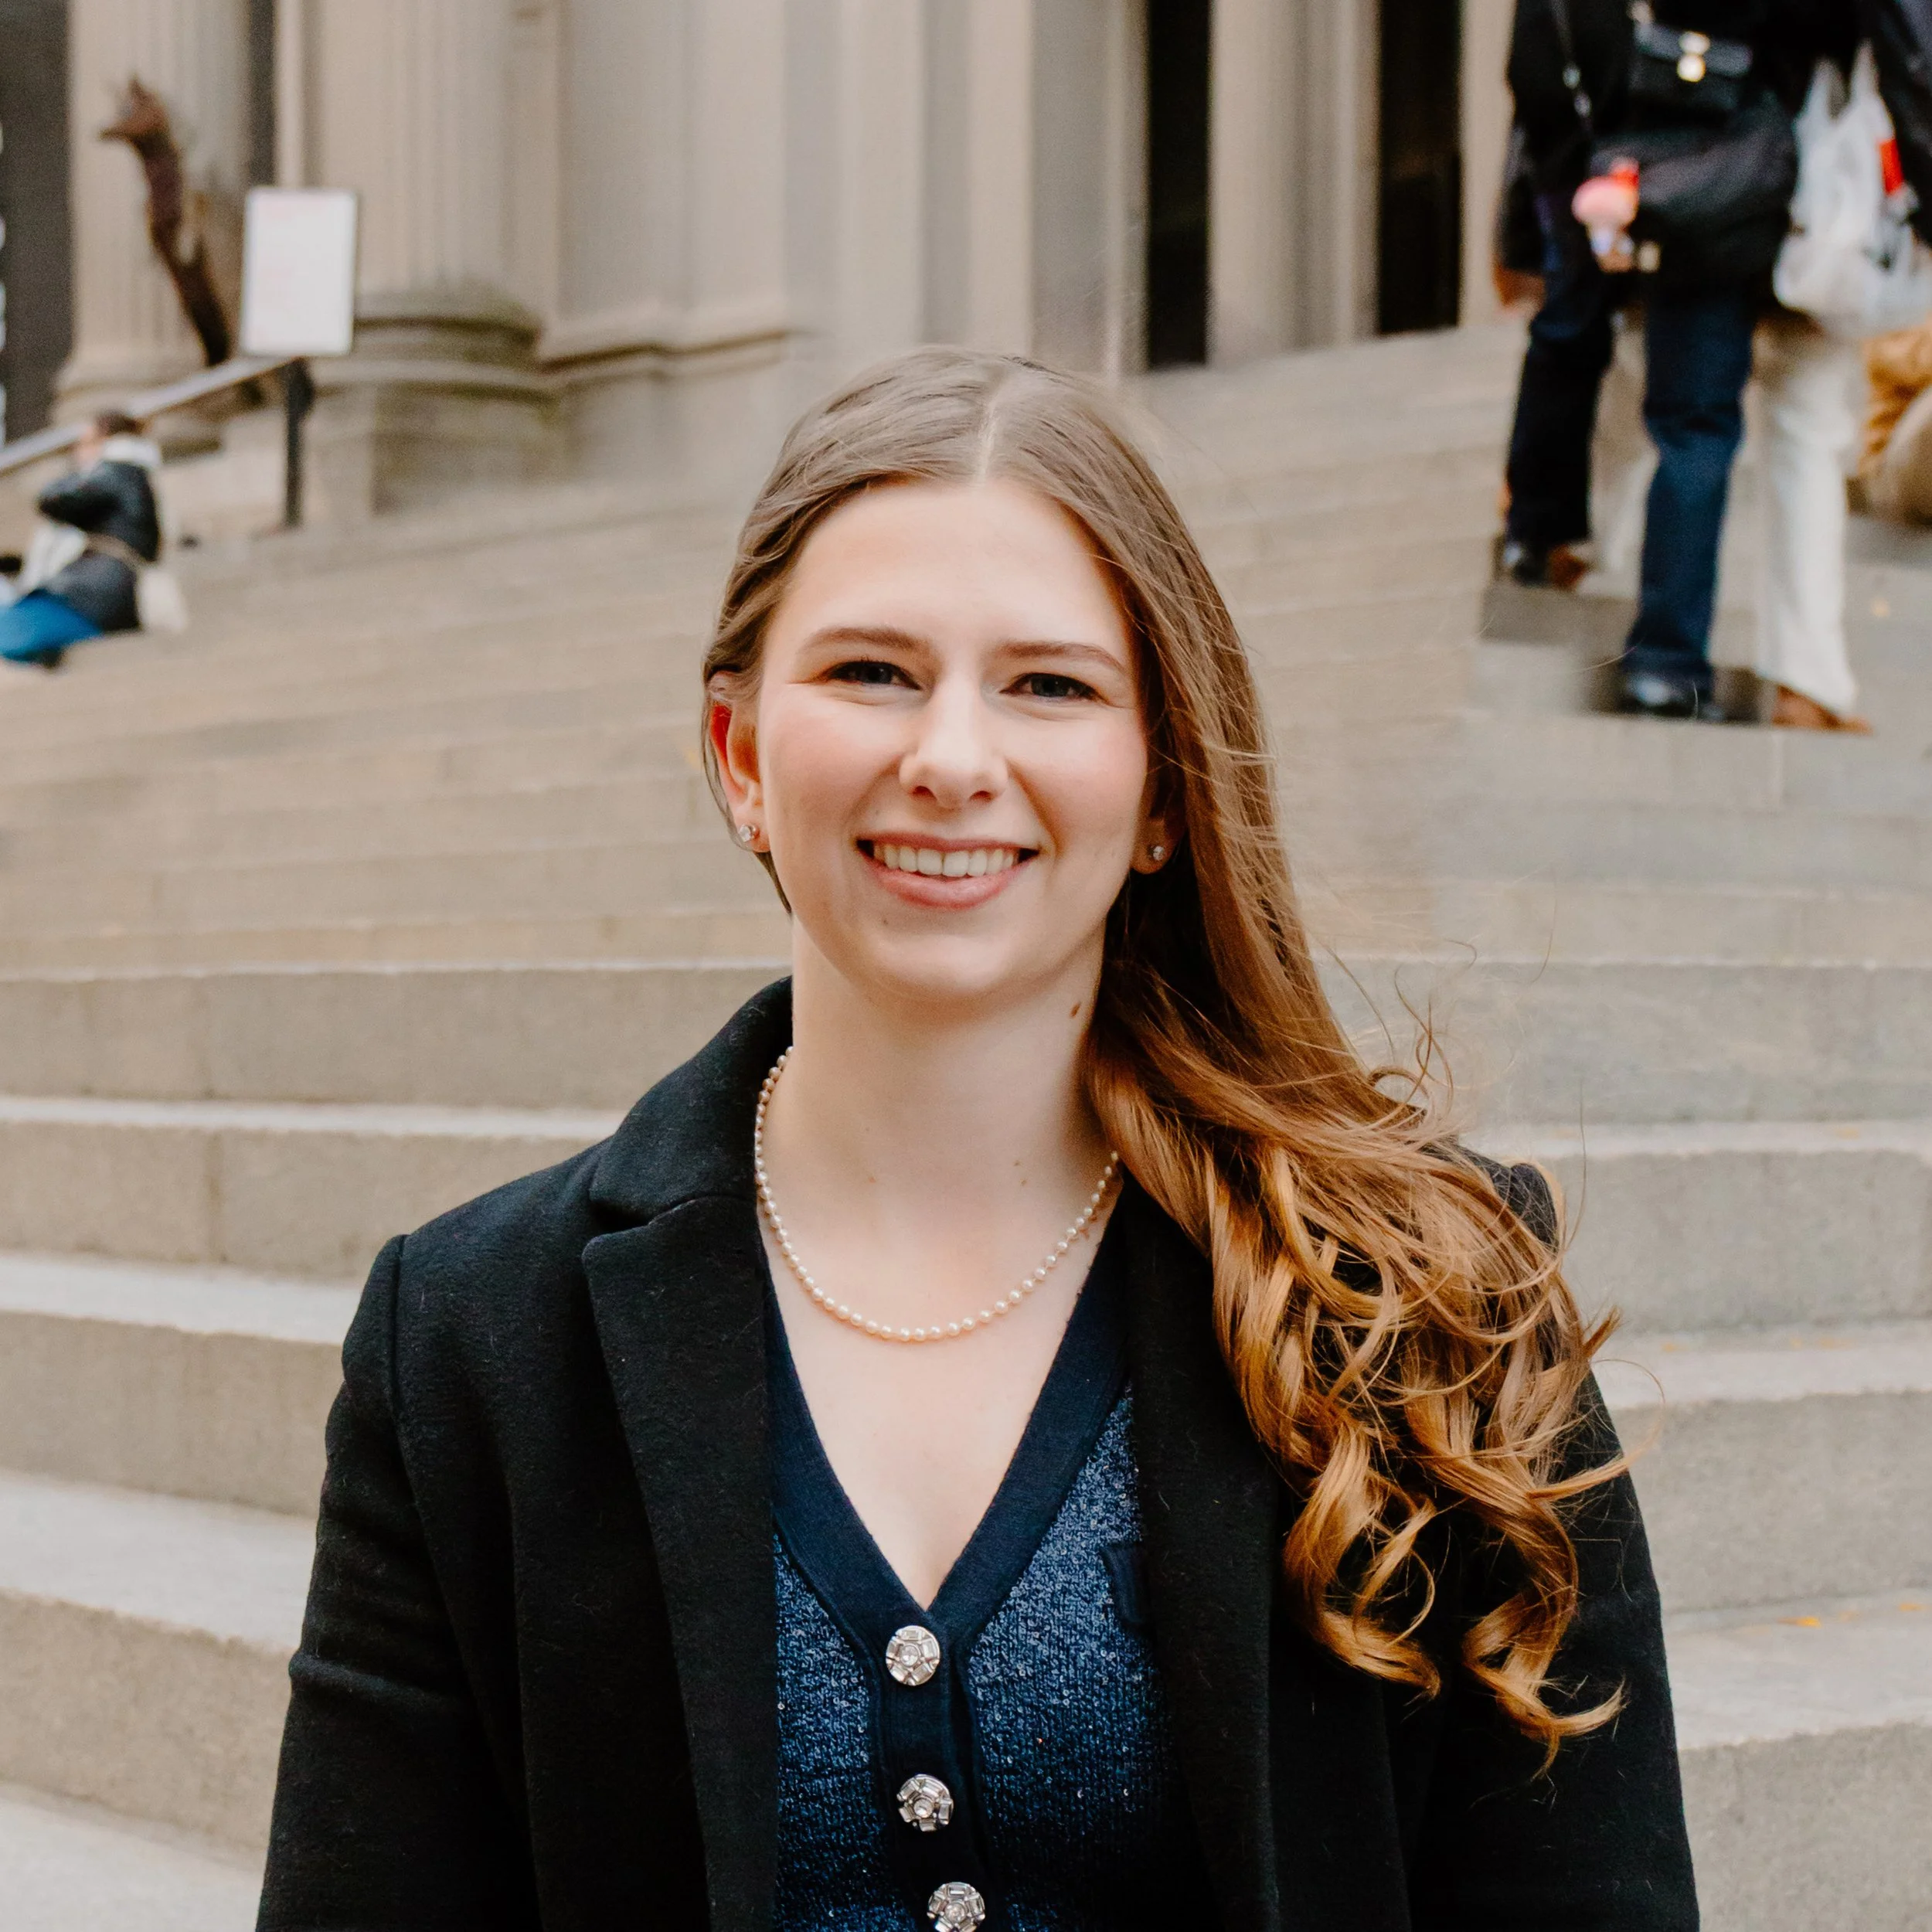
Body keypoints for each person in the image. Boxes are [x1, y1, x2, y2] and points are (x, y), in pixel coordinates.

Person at [257, 350, 1696, 1930]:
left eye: (1050, 683)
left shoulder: (1428, 1304)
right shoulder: (469, 1337)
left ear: (1160, 785)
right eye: (871, 670)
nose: (950, 755)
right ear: (739, 756)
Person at [1504, 0, 1822, 719]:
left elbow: (1538, 61)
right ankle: (1665, 668)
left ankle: (1537, 532)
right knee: (1696, 426)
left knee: (1569, 339)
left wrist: (1584, 167)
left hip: (1603, 171)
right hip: (1712, 190)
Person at [0, 410, 162, 670]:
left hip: (96, 594)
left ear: (107, 441)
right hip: (103, 592)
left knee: (7, 629)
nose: (76, 451)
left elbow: (51, 499)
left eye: (84, 442)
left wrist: (88, 466)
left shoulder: (116, 472)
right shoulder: (131, 475)